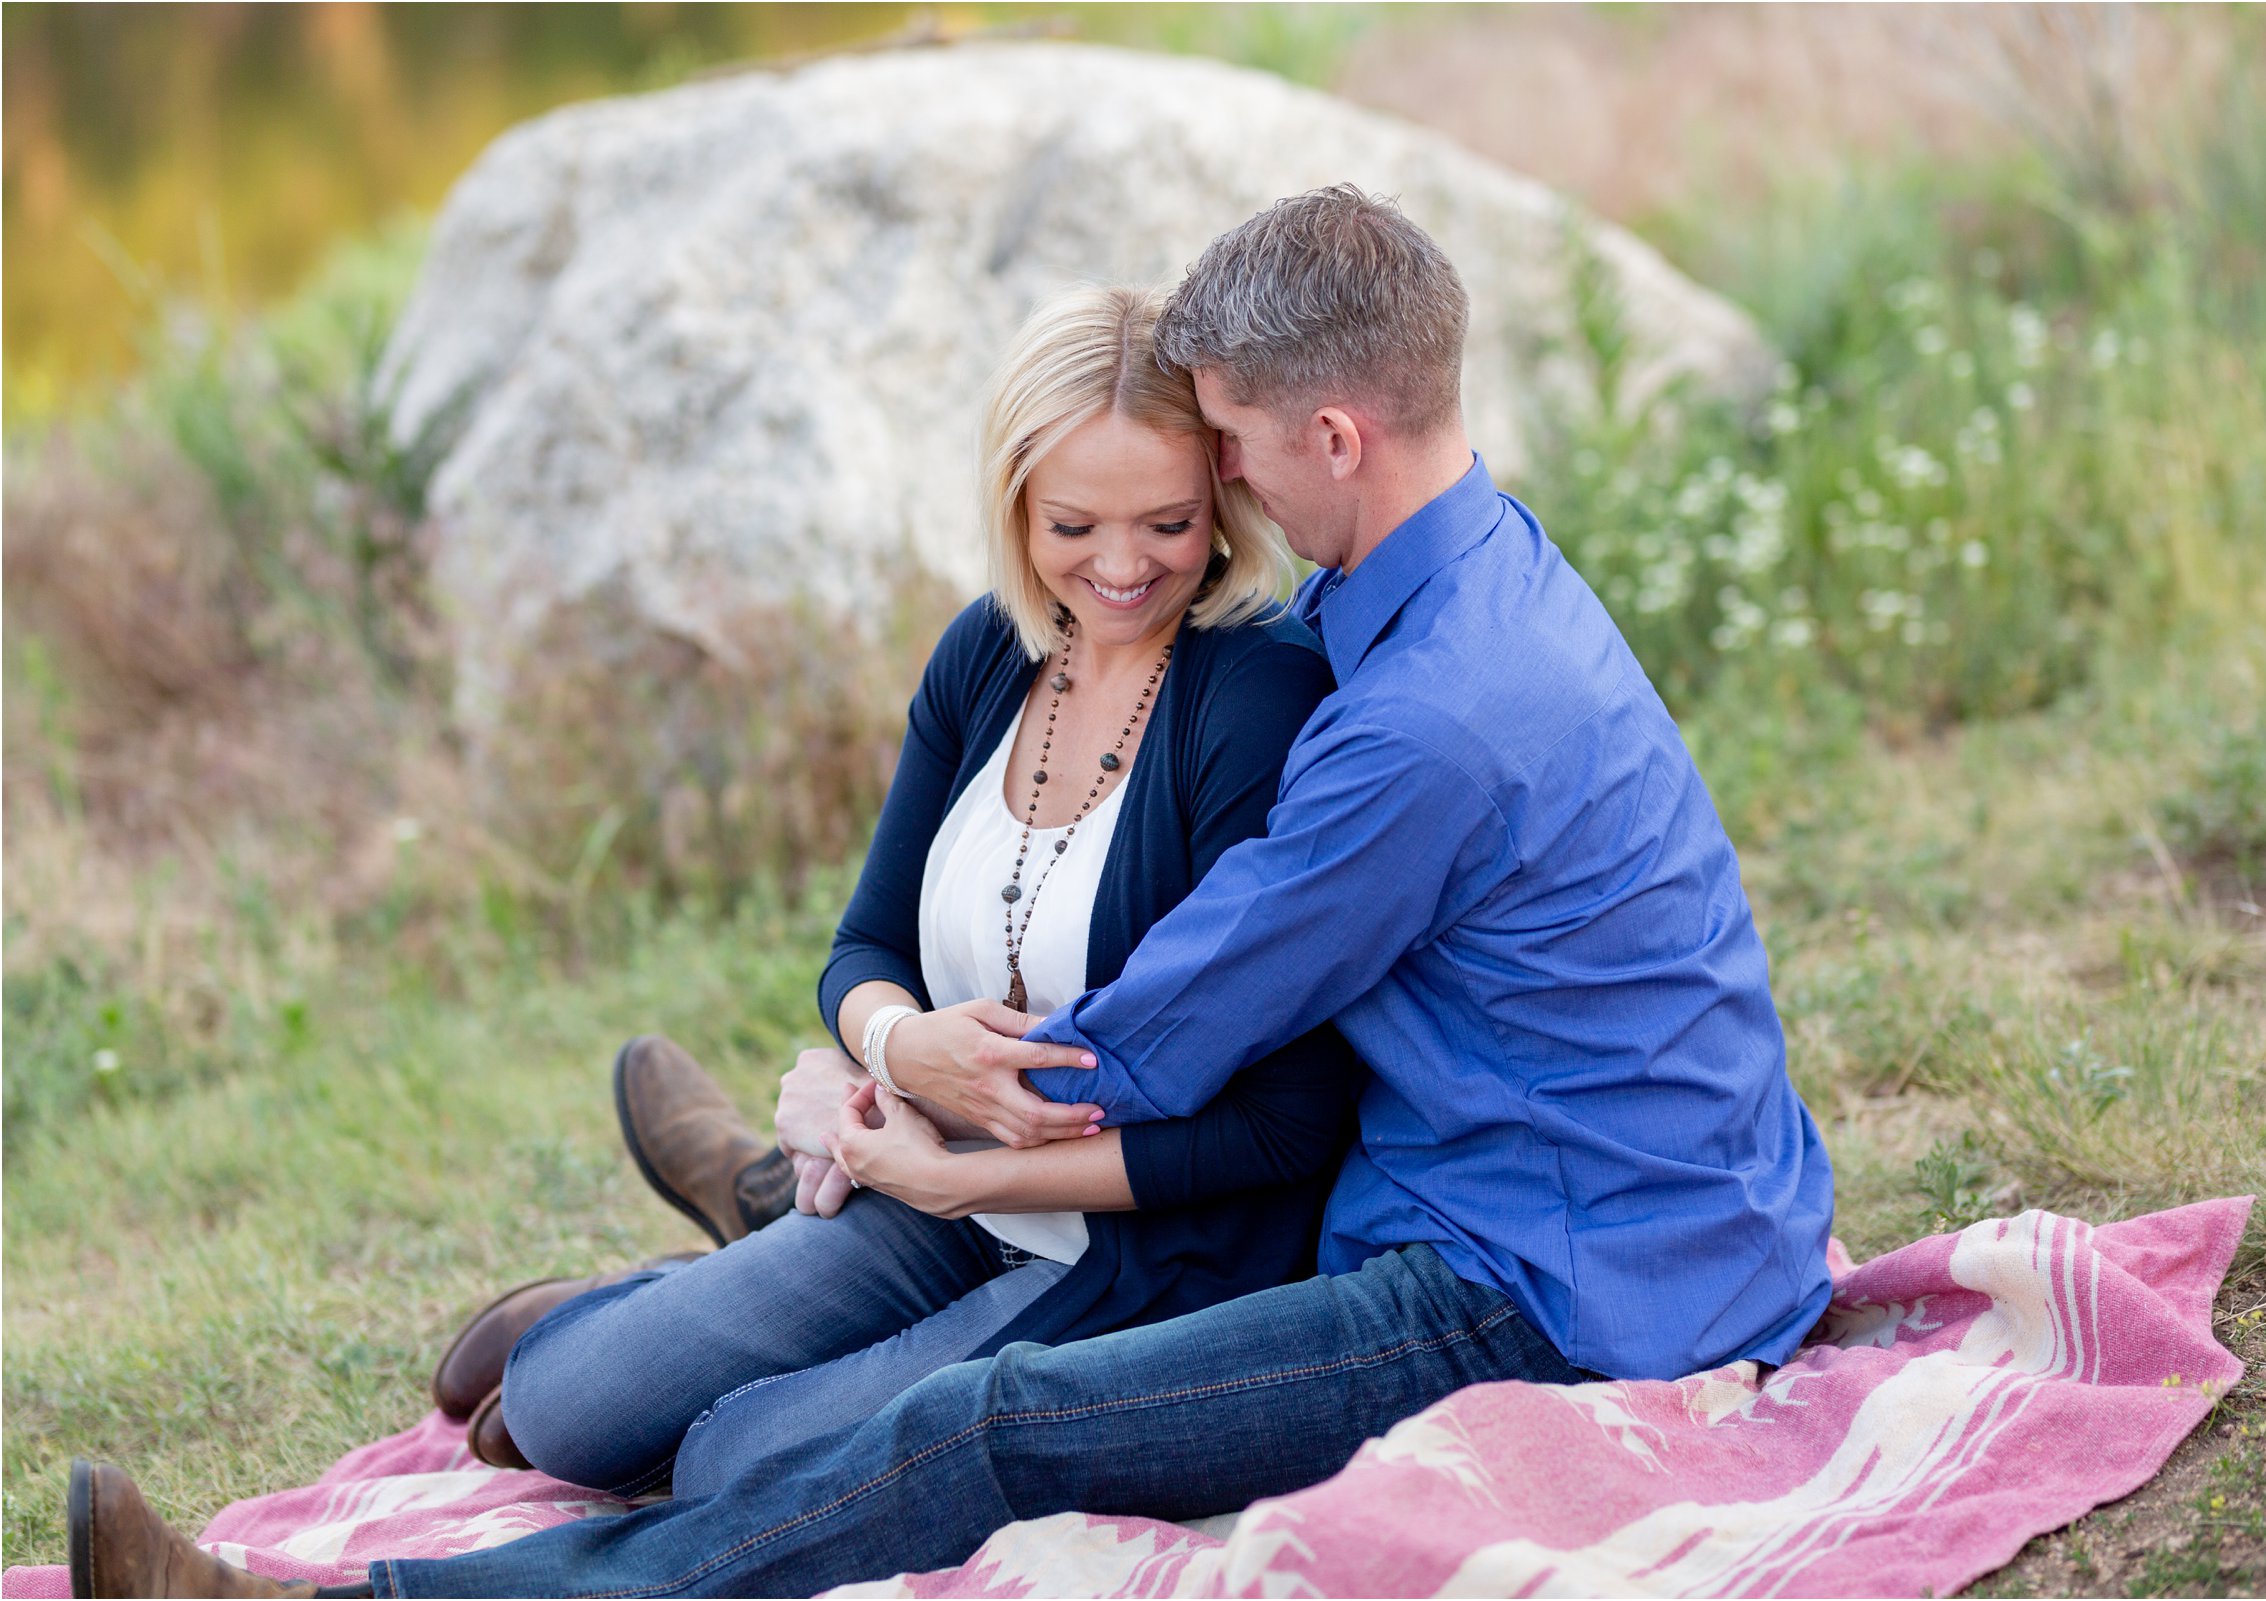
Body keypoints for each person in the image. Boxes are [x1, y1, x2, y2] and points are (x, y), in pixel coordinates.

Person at [70, 185, 1836, 1601]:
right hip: (1605, 1190)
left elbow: (1140, 1045)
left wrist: (893, 1107)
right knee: (687, 1385)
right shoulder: (1454, 581)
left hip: (1546, 1277)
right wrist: (882, 1061)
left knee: (996, 1425)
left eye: (1223, 446)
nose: (1205, 490)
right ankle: (772, 1213)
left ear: (1333, 431)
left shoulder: (1422, 718)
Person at [60, 282, 1360, 1597]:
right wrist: (902, 1046)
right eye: (1075, 523)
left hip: (1124, 1250)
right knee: (565, 1406)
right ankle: (710, 1264)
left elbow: (1286, 1127)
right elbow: (860, 949)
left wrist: (972, 1172)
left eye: (1171, 523)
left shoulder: (1250, 700)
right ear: (1014, 506)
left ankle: (303, 1577)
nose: (1123, 565)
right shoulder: (992, 656)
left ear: (1226, 506)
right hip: (927, 1168)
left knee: (741, 1459)